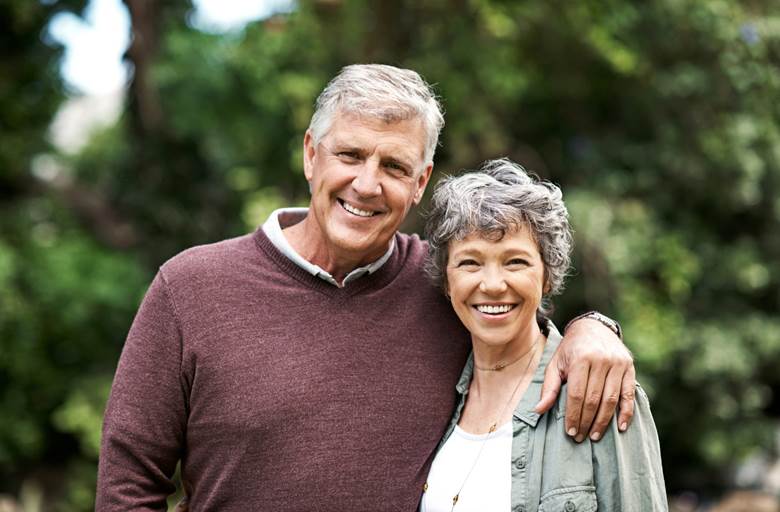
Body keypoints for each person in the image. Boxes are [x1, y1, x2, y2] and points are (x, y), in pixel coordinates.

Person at [96, 65, 636, 511]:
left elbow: (525, 332)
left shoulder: (445, 284)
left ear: (420, 183)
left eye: (394, 166)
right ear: (312, 155)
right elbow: (128, 486)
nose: (367, 184)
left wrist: (592, 328)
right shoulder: (190, 288)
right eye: (350, 155)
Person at [420, 158, 666, 511]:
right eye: (470, 262)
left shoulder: (597, 392)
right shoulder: (434, 400)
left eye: (515, 262)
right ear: (446, 281)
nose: (492, 285)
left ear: (547, 275)